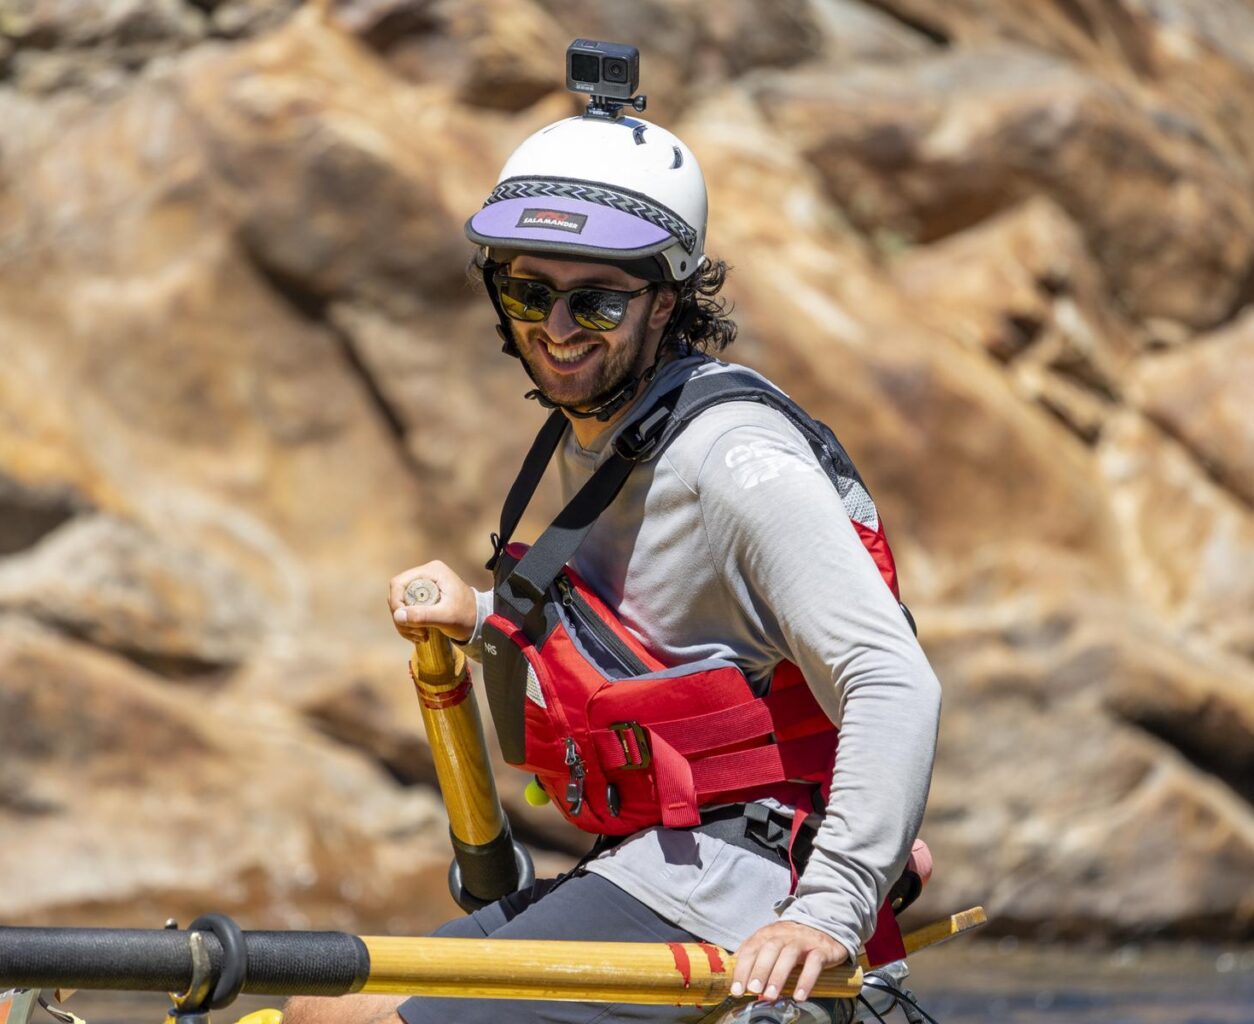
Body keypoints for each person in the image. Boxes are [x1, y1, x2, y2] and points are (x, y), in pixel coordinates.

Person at [285, 100, 941, 1024]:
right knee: (320, 1007)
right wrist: (479, 618)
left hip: (736, 889)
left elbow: (892, 679)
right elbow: (663, 649)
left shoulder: (737, 461)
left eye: (593, 300)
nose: (555, 327)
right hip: (650, 864)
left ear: (665, 300)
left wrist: (830, 910)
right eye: (525, 293)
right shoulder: (611, 431)